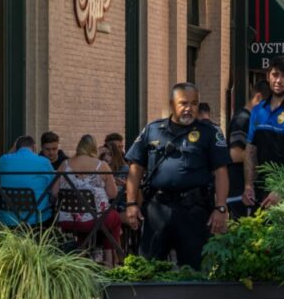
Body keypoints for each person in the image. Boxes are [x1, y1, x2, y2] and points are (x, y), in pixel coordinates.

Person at [124, 82, 233, 269]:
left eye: (194, 103)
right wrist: (132, 204)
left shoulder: (209, 133)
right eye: (183, 103)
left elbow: (221, 172)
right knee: (147, 268)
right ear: (171, 104)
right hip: (158, 209)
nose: (189, 108)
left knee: (195, 271)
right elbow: (135, 169)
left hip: (194, 211)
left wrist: (221, 207)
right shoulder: (153, 130)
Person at [52, 134, 121, 265]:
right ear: (94, 148)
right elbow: (113, 194)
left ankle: (82, 260)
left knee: (102, 220)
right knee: (114, 218)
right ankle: (111, 261)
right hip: (93, 220)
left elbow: (54, 192)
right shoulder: (102, 165)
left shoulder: (64, 164)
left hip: (67, 219)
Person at [228, 80, 270, 217]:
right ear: (258, 98)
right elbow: (235, 154)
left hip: (249, 192)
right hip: (240, 192)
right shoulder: (242, 120)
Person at [0, 134, 56, 226]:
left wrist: (12, 151)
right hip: (37, 218)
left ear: (16, 148)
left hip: (8, 218)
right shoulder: (44, 162)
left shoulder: (4, 160)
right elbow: (52, 184)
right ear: (34, 147)